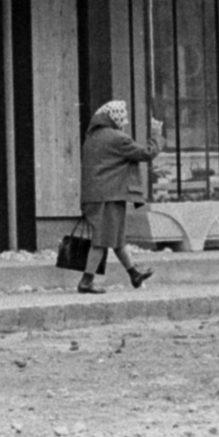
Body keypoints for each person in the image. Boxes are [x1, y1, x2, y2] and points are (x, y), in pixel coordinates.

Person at [78, 99, 160, 295]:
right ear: (116, 118)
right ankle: (86, 281)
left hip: (95, 195)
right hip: (110, 195)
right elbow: (147, 153)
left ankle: (134, 274)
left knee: (115, 238)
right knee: (102, 239)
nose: (124, 122)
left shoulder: (92, 137)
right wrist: (156, 135)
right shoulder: (117, 138)